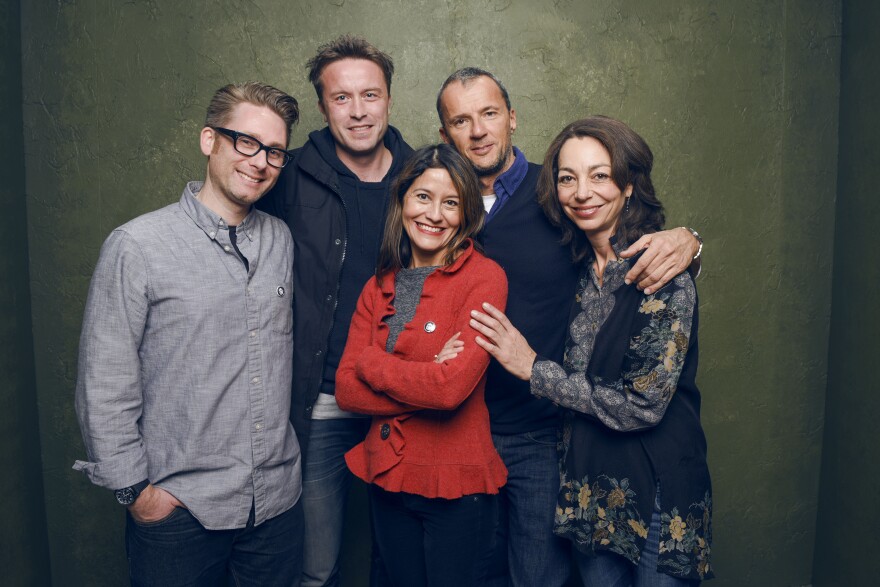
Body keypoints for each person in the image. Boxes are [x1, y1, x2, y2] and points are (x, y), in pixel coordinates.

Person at [435, 67, 703, 586]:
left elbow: (643, 402)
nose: (582, 192)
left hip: (634, 472)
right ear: (445, 134)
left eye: (490, 113)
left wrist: (688, 240)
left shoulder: (650, 264)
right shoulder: (577, 257)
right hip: (580, 475)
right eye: (569, 179)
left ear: (512, 119)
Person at [73, 82, 304, 586]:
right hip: (180, 514)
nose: (259, 161)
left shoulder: (280, 240)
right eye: (245, 141)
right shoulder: (137, 246)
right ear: (209, 140)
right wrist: (137, 494)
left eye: (274, 151)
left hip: (276, 508)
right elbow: (104, 380)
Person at [256, 35, 412, 586]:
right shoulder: (288, 175)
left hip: (403, 404)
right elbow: (224, 219)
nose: (359, 110)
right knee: (316, 566)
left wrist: (690, 242)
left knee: (402, 560)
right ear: (322, 107)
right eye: (341, 98)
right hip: (322, 401)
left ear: (389, 99)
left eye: (370, 94)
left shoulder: (422, 178)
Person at [335, 143, 508, 586]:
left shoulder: (485, 278)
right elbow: (346, 390)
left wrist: (372, 363)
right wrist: (428, 374)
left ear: (467, 213)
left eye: (451, 202)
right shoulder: (379, 285)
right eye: (423, 197)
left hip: (457, 482)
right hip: (386, 475)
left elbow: (450, 392)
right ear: (403, 201)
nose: (434, 214)